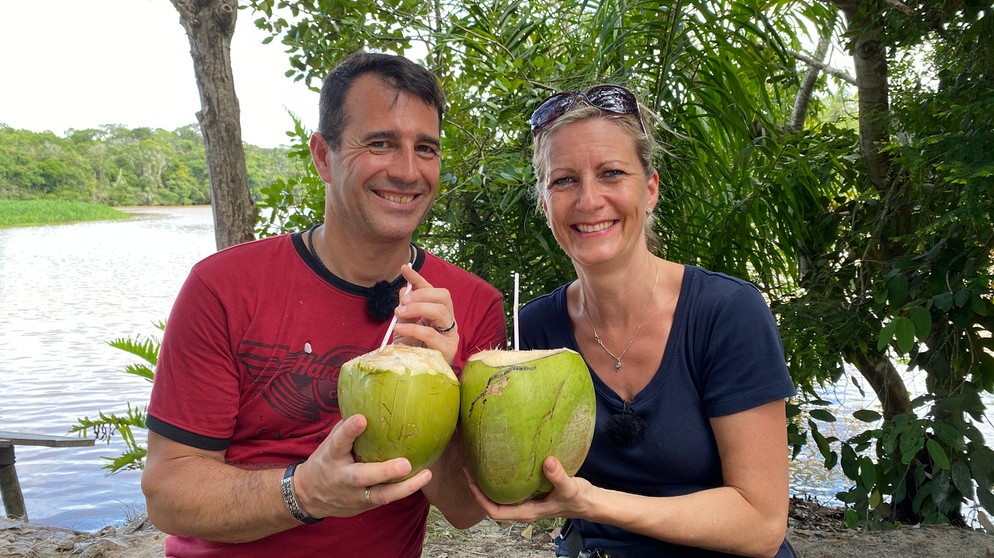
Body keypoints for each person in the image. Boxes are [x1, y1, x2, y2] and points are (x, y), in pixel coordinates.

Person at [141, 51, 507, 557]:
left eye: (426, 148)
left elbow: (466, 511)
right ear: (322, 156)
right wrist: (306, 491)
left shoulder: (469, 304)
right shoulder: (224, 286)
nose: (407, 170)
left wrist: (439, 381)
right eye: (380, 143)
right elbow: (167, 492)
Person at [468, 85, 796, 557]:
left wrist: (596, 503)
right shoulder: (533, 330)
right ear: (545, 204)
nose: (588, 200)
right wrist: (447, 368)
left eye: (611, 173)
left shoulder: (725, 312)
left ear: (650, 190)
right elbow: (507, 484)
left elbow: (762, 524)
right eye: (563, 181)